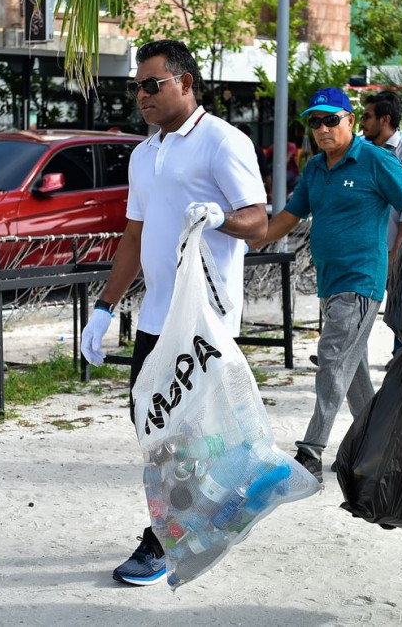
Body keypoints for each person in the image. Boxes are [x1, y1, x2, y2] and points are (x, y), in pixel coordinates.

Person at [79, 40, 267, 586]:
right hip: (156, 318)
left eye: (152, 84)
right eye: (136, 86)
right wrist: (104, 307)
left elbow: (258, 220)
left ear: (185, 83)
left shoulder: (222, 141)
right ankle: (224, 497)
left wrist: (221, 219)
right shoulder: (144, 154)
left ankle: (164, 538)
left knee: (180, 435)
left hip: (204, 321)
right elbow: (134, 236)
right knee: (151, 425)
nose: (141, 95)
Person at [251, 86, 402, 482]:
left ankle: (311, 451)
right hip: (330, 285)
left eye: (331, 120)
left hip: (362, 281)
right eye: (315, 122)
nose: (323, 128)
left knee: (331, 358)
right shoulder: (315, 169)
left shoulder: (376, 160)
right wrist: (248, 241)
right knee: (351, 371)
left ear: (350, 121)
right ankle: (382, 450)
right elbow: (289, 217)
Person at [361, 90, 402, 270]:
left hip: (392, 253)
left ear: (385, 119)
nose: (362, 122)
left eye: (367, 117)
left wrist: (395, 257)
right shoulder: (364, 149)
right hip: (366, 251)